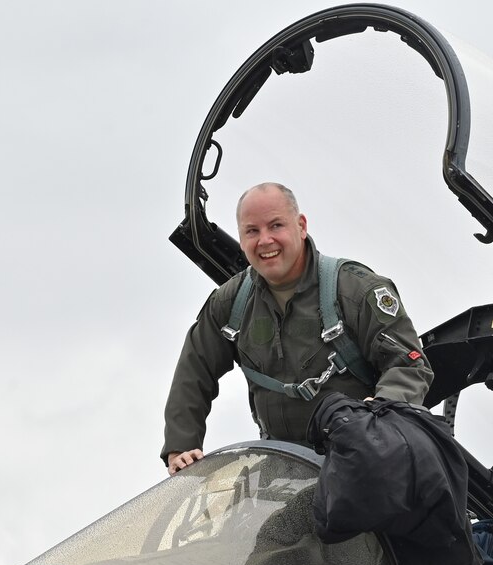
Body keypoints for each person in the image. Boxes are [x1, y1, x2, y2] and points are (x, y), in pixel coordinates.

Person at [161, 183, 433, 474]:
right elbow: (194, 370)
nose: (265, 240)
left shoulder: (354, 290)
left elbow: (409, 366)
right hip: (284, 475)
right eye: (252, 231)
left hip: (366, 467)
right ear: (241, 239)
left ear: (301, 226)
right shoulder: (231, 304)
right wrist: (181, 446)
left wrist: (379, 413)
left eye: (275, 225)